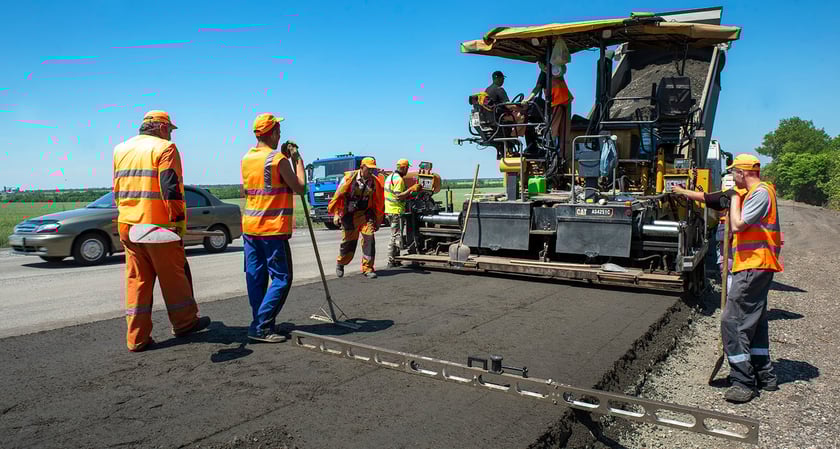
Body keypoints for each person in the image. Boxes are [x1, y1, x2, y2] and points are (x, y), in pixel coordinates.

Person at [113, 110, 210, 352]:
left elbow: (116, 189)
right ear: (161, 128)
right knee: (174, 278)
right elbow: (170, 188)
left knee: (138, 281)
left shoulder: (120, 149)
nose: (171, 135)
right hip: (157, 227)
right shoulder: (165, 149)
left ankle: (136, 338)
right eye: (170, 130)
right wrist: (177, 221)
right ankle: (185, 323)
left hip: (128, 224)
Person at [240, 113, 306, 343]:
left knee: (256, 277)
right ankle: (262, 325)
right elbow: (299, 187)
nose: (280, 135)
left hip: (250, 228)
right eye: (278, 131)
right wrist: (297, 160)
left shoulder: (247, 158)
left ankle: (259, 322)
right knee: (281, 278)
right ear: (272, 133)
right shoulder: (277, 160)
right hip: (272, 229)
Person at [722, 154, 782, 403]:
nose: (732, 177)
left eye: (733, 172)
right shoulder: (761, 192)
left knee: (732, 321)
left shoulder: (758, 193)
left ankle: (743, 381)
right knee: (755, 322)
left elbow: (738, 225)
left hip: (753, 265)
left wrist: (734, 197)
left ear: (742, 172)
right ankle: (764, 374)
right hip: (756, 265)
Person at [328, 157, 385, 279]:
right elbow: (338, 196)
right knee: (348, 243)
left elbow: (379, 202)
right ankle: (341, 262)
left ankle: (368, 268)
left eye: (372, 170)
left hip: (365, 215)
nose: (370, 172)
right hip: (349, 215)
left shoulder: (374, 182)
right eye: (368, 169)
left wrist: (378, 220)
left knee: (369, 239)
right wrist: (337, 213)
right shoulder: (349, 179)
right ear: (361, 167)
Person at [522, 61, 573, 153]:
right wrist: (528, 99)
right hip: (564, 101)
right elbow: (537, 88)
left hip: (559, 102)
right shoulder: (550, 71)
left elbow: (537, 88)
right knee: (562, 129)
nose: (538, 65)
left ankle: (552, 150)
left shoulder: (554, 70)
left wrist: (528, 99)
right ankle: (560, 153)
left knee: (555, 128)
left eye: (540, 63)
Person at [384, 159, 421, 268]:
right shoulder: (399, 180)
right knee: (395, 236)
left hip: (389, 210)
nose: (407, 170)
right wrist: (411, 189)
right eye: (407, 168)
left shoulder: (389, 177)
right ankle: (391, 260)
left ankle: (396, 259)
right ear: (404, 168)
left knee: (395, 235)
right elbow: (398, 196)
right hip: (396, 211)